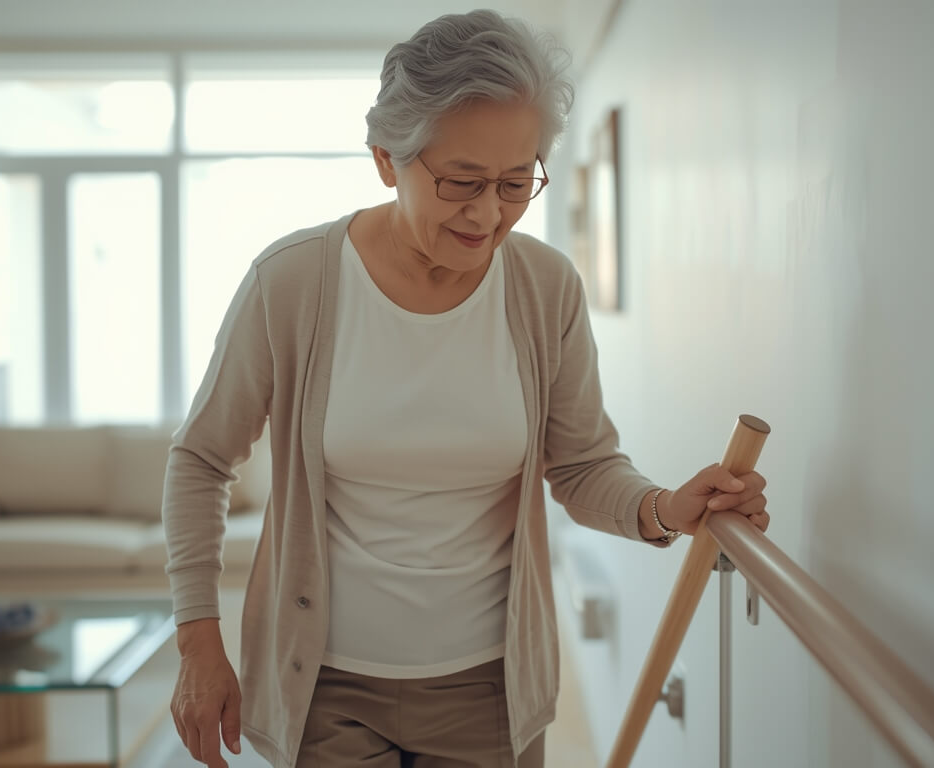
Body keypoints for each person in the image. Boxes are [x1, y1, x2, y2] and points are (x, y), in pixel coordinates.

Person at [163, 9, 770, 768]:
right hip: (322, 684)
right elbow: (201, 459)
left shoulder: (545, 288)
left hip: (491, 688)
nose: (488, 214)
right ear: (387, 160)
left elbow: (581, 466)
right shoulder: (292, 283)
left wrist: (665, 508)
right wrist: (197, 640)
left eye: (517, 182)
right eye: (462, 182)